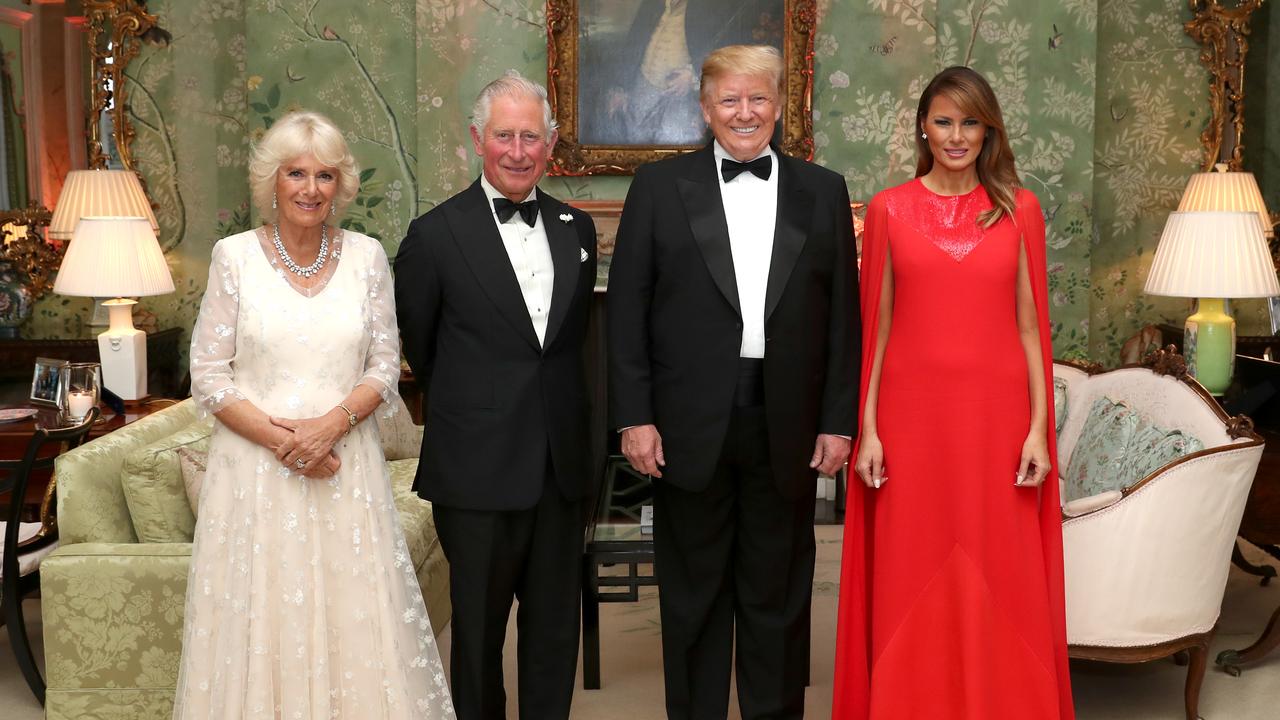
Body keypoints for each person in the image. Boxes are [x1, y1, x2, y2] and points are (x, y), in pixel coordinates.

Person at [608, 44, 859, 720]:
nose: (744, 113)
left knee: (776, 597)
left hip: (789, 425)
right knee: (692, 598)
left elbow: (844, 320)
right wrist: (635, 416)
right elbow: (626, 311)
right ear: (704, 108)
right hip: (685, 428)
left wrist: (839, 420)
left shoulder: (823, 190)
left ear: (779, 106)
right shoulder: (660, 189)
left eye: (758, 99)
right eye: (729, 99)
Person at [175, 111, 454, 718]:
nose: (309, 189)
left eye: (324, 175)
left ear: (341, 185)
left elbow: (385, 365)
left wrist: (332, 427)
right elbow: (209, 377)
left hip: (346, 470)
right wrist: (289, 445)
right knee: (262, 621)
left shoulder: (368, 256)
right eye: (295, 173)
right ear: (271, 181)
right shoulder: (234, 258)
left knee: (351, 617)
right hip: (253, 477)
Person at [831, 66, 1074, 719]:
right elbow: (875, 327)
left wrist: (1037, 430)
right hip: (911, 425)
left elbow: (1031, 328)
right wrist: (871, 429)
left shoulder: (1019, 209)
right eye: (944, 120)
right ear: (923, 126)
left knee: (1003, 569)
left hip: (998, 424)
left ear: (988, 129)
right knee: (913, 566)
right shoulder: (887, 208)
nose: (956, 135)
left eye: (970, 122)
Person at [394, 71, 597, 720]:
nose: (517, 150)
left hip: (560, 471)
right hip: (476, 472)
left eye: (530, 137)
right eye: (504, 135)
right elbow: (422, 352)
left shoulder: (577, 229)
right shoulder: (433, 236)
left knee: (553, 635)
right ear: (477, 140)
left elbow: (571, 349)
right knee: (477, 638)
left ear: (551, 144)